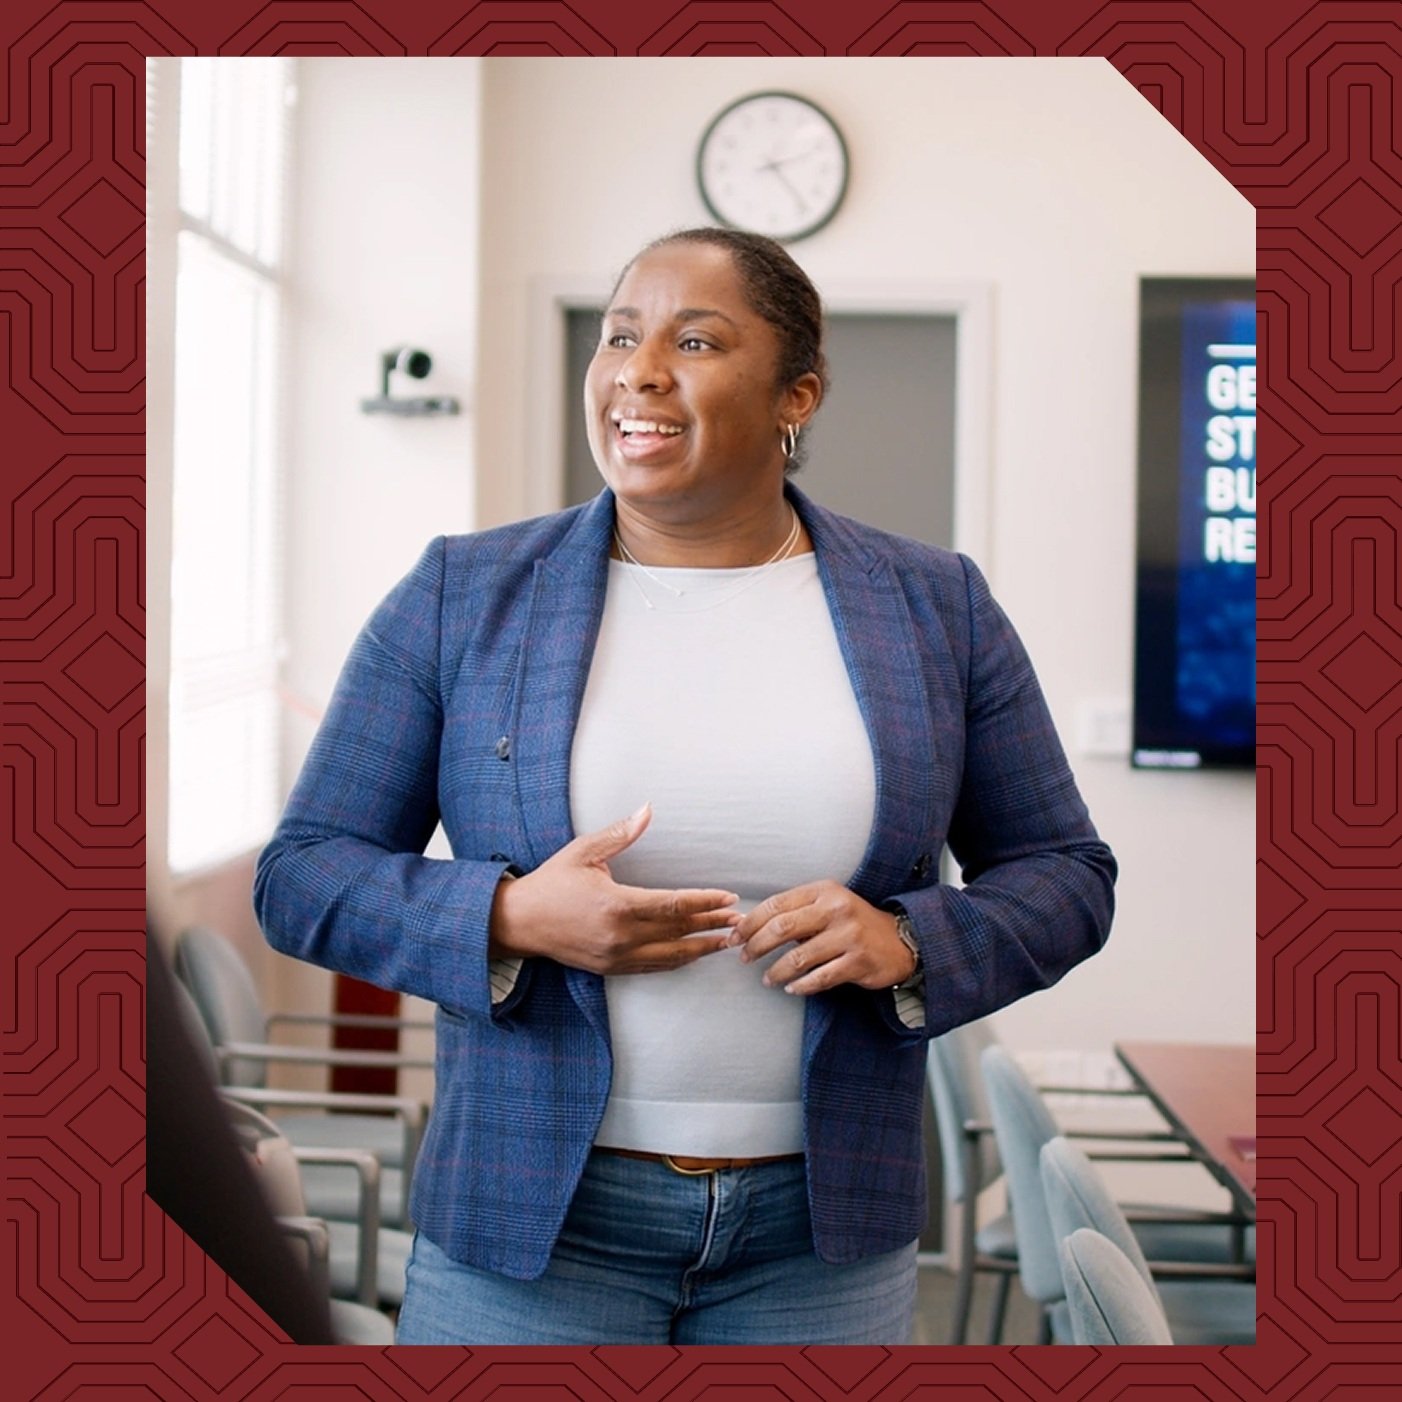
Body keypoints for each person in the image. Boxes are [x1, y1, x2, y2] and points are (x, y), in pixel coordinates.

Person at [254, 226, 1116, 1345]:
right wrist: (511, 914)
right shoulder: (463, 597)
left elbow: (1066, 874)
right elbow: (304, 874)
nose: (638, 368)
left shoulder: (933, 607)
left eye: (695, 339)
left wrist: (911, 941)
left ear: (793, 394)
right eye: (619, 335)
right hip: (533, 1229)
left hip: (820, 1239)